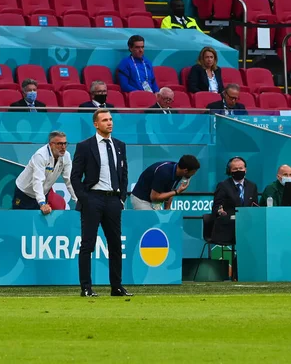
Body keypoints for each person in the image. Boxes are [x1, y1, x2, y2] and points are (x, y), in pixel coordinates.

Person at [71, 108, 130, 297]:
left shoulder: (120, 145)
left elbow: (124, 173)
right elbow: (75, 177)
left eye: (111, 119)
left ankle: (116, 286)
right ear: (96, 124)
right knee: (88, 244)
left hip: (113, 199)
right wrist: (85, 198)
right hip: (93, 198)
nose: (109, 123)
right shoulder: (85, 146)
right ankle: (86, 287)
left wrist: (121, 198)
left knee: (115, 244)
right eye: (105, 120)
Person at [13, 131, 77, 214]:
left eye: (65, 143)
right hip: (24, 192)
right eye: (60, 144)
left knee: (40, 224)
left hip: (43, 194)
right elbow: (38, 181)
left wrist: (78, 200)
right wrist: (42, 203)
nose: (63, 147)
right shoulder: (40, 156)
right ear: (51, 144)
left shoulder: (66, 156)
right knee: (20, 222)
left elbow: (70, 180)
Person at [212, 156, 258, 241]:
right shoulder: (223, 186)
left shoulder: (252, 186)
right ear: (230, 171)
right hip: (229, 227)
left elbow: (255, 207)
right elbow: (216, 208)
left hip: (248, 227)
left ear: (245, 170)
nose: (238, 171)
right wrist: (219, 212)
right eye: (235, 169)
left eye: (241, 168)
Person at [131, 155, 201, 210]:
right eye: (193, 172)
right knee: (151, 223)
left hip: (151, 201)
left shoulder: (178, 172)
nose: (193, 174)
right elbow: (154, 197)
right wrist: (177, 192)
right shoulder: (164, 173)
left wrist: (167, 210)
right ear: (185, 170)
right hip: (141, 199)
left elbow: (169, 192)